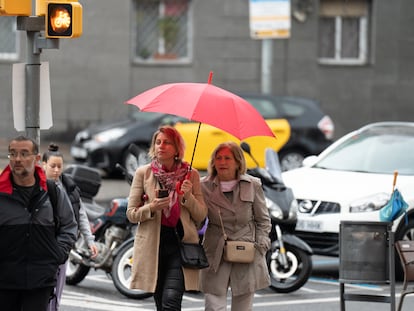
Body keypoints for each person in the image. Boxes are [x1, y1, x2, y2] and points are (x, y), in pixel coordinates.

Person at [126, 125, 207, 310]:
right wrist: (151, 208)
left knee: (171, 300)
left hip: (180, 244)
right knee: (160, 299)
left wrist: (188, 196)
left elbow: (201, 215)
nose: (161, 146)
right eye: (158, 142)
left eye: (167, 143)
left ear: (177, 149)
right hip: (152, 245)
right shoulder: (143, 173)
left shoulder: (191, 175)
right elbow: (131, 214)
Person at [0, 135, 78, 311]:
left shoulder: (52, 192)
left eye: (24, 153)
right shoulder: (2, 194)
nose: (17, 159)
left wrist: (56, 254)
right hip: (4, 282)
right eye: (13, 154)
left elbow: (69, 226)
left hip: (40, 281)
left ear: (36, 159)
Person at [200, 141, 271, 311]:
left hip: (246, 249)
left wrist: (261, 245)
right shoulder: (203, 185)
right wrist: (186, 199)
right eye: (218, 158)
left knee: (243, 305)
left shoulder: (253, 184)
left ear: (238, 162)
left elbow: (263, 220)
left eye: (227, 158)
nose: (222, 162)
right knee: (213, 304)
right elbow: (198, 220)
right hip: (216, 249)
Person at [42, 143, 99, 311]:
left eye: (60, 166)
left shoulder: (70, 188)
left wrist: (90, 240)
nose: (56, 170)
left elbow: (80, 215)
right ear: (43, 164)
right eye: (52, 166)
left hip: (61, 248)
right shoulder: (35, 186)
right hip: (40, 248)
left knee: (56, 292)